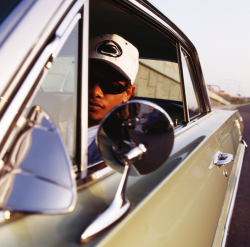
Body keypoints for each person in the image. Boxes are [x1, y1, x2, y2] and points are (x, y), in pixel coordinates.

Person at [88, 34, 139, 164]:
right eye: (87, 78)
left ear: (127, 93)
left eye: (111, 85)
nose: (95, 92)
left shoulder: (126, 149)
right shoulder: (43, 112)